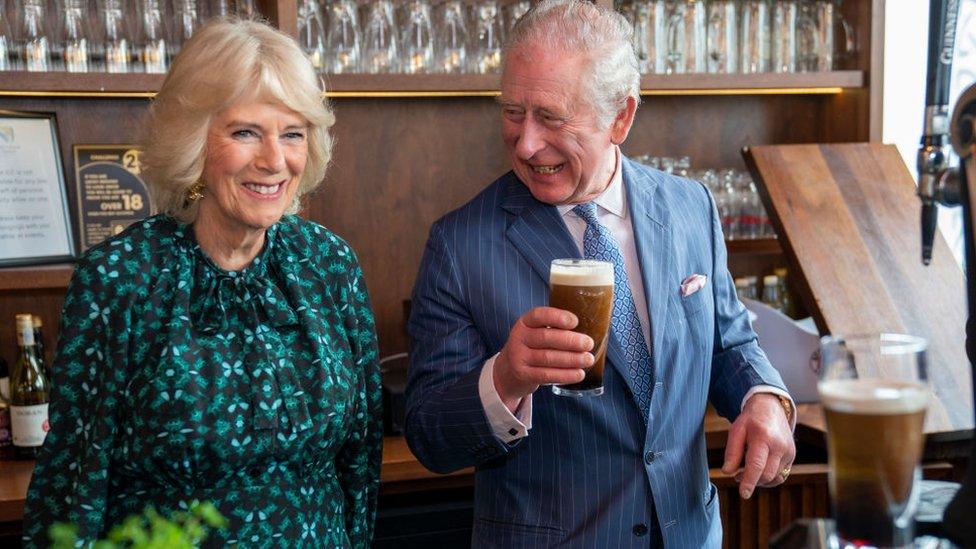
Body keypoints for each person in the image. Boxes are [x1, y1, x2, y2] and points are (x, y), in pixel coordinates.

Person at [405, 1, 795, 546]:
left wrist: (765, 398)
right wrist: (505, 379)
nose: (525, 143)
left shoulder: (690, 206)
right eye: (513, 112)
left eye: (551, 117)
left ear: (621, 117)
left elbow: (729, 342)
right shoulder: (459, 243)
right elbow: (428, 435)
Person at [22, 19, 381, 548]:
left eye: (292, 134)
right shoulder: (120, 278)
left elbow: (360, 456)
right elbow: (74, 484)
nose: (274, 161)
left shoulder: (329, 264)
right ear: (193, 141)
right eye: (245, 132)